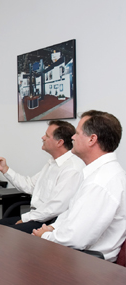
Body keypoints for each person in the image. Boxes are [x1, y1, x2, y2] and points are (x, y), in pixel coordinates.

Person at [33, 110, 126, 262]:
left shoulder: (101, 182)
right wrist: (52, 228)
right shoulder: (99, 174)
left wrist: (45, 235)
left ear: (92, 139)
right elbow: (72, 215)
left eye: (77, 133)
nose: (72, 137)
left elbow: (73, 239)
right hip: (77, 255)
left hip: (86, 264)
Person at [0, 120, 85, 233]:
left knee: (2, 235)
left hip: (50, 223)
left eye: (47, 135)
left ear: (59, 142)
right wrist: (5, 169)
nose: (43, 137)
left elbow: (55, 207)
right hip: (36, 217)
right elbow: (29, 185)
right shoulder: (51, 164)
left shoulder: (72, 168)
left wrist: (25, 219)